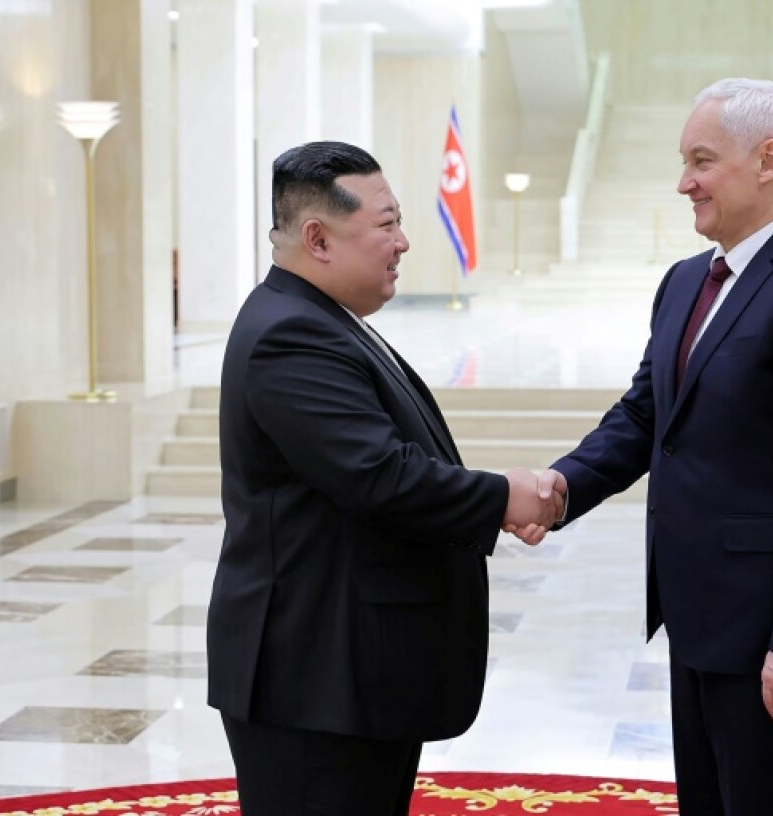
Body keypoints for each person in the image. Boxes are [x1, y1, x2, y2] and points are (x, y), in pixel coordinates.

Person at [529, 79, 773, 815]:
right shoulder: (687, 281)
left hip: (772, 639)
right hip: (697, 618)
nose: (683, 182)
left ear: (767, 160)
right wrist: (561, 488)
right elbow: (644, 417)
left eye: (701, 161)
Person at [207, 141, 562, 816]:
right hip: (311, 680)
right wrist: (505, 496)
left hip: (350, 674)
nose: (403, 242)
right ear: (317, 237)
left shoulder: (325, 319)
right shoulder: (291, 334)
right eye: (387, 224)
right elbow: (378, 475)